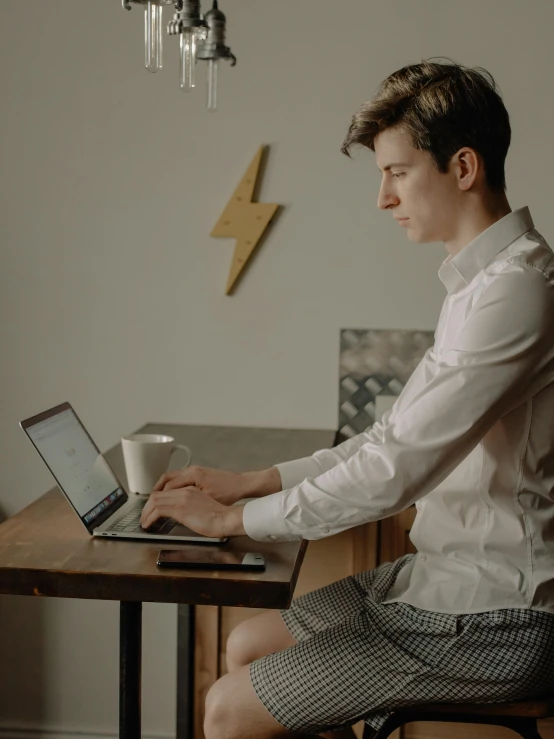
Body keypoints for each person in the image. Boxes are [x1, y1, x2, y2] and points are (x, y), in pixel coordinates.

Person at [141, 58, 554, 739]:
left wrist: (232, 521)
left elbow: (397, 471)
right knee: (246, 644)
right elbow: (388, 437)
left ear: (464, 167)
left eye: (396, 172)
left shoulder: (517, 292)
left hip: (493, 613)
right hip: (439, 578)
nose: (383, 198)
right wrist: (249, 482)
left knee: (225, 709)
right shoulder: (479, 286)